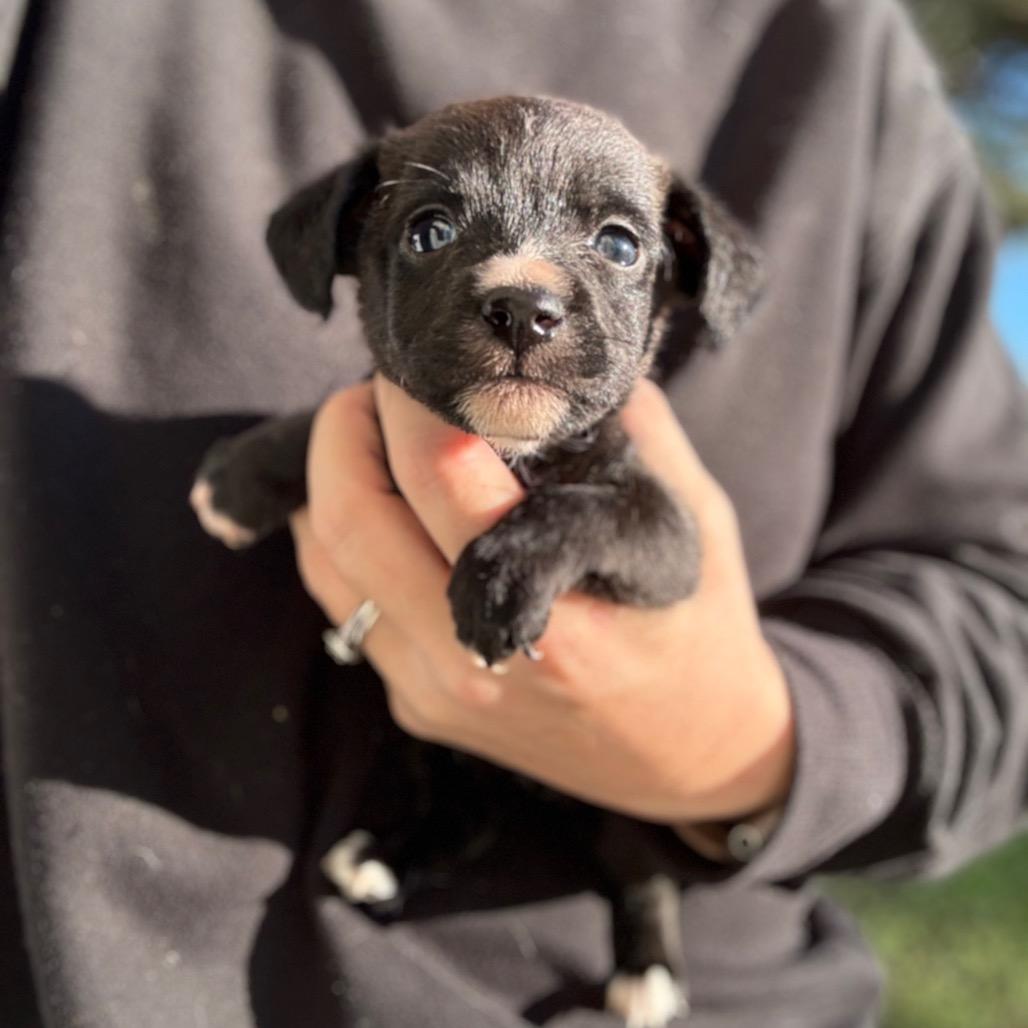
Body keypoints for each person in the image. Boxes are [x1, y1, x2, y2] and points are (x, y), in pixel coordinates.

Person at [1, 1, 1025, 1025]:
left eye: (616, 244)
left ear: (679, 271)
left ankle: (646, 940)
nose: (524, 293)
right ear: (351, 246)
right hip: (124, 963)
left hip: (655, 961)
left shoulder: (831, 49)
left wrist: (734, 743)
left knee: (624, 843)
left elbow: (991, 604)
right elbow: (335, 433)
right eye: (433, 229)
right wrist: (263, 467)